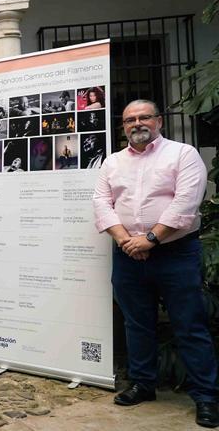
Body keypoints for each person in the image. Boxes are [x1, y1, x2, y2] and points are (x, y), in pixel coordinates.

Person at [93, 99, 218, 428]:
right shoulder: (113, 162)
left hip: (175, 254)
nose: (137, 123)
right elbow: (102, 203)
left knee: (189, 325)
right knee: (137, 325)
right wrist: (125, 241)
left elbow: (185, 203)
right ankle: (144, 384)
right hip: (127, 255)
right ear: (123, 126)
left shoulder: (182, 154)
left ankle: (206, 396)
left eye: (144, 117)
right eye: (129, 119)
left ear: (159, 121)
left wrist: (149, 239)